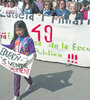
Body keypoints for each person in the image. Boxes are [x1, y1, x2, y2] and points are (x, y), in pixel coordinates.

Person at [2, 20, 36, 100]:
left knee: (26, 75)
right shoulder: (15, 39)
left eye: (20, 30)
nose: (18, 32)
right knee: (16, 78)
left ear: (24, 29)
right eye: (16, 30)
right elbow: (10, 46)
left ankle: (31, 83)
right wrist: (1, 46)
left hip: (25, 63)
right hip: (16, 62)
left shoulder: (29, 40)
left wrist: (33, 54)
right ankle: (16, 95)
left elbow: (32, 50)